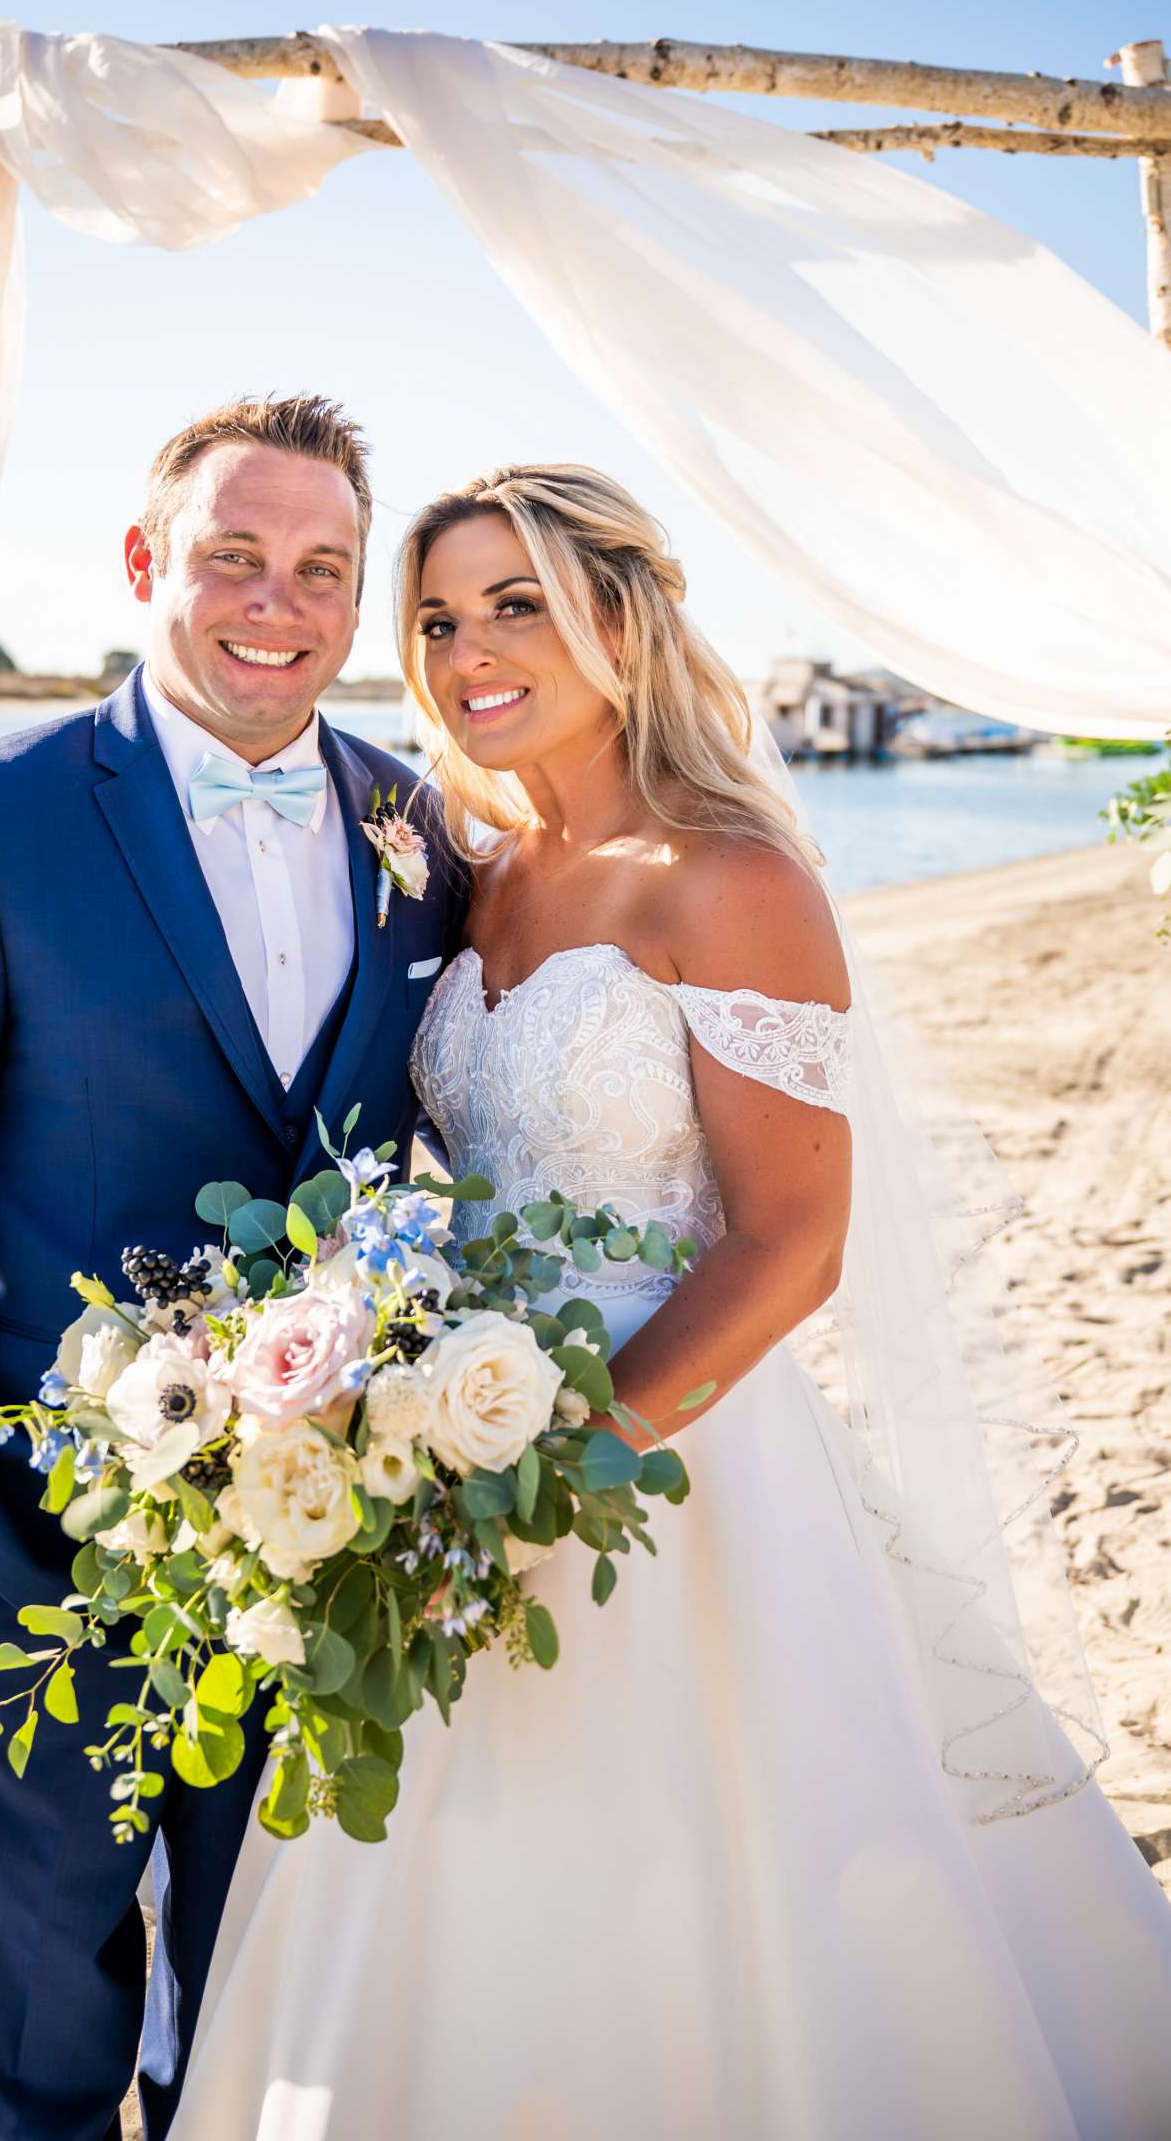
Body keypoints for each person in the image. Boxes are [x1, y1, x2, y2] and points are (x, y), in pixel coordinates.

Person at [170, 464, 1171, 2141]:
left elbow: (791, 1243)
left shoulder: (730, 881)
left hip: (664, 1461)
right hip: (438, 1457)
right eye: (435, 619)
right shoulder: (469, 869)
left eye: (518, 606)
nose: (470, 650)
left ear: (619, 623)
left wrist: (564, 1473)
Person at [0, 397, 460, 2141]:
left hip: (328, 1528)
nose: (279, 600)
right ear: (142, 566)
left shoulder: (418, 827)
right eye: (235, 556)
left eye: (321, 568)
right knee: (39, 1992)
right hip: (34, 1515)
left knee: (254, 1975)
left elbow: (420, 1138)